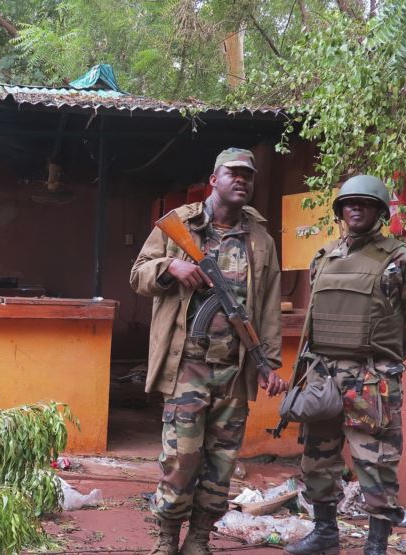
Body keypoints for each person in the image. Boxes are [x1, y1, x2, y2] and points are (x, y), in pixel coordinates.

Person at [130, 148, 287, 555]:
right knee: (181, 459)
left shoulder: (261, 240)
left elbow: (268, 307)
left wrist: (267, 363)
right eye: (232, 173)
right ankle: (167, 538)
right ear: (213, 179)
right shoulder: (180, 225)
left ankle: (199, 538)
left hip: (234, 371)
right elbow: (138, 275)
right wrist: (171, 267)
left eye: (247, 177)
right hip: (188, 366)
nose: (241, 181)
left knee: (220, 466)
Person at [284, 175, 406, 555]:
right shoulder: (324, 257)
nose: (356, 208)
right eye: (349, 203)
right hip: (323, 375)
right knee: (317, 458)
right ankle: (325, 533)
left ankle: (376, 544)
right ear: (339, 211)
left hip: (370, 379)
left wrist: (384, 361)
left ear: (380, 211)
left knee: (376, 464)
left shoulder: (402, 260)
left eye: (365, 203)